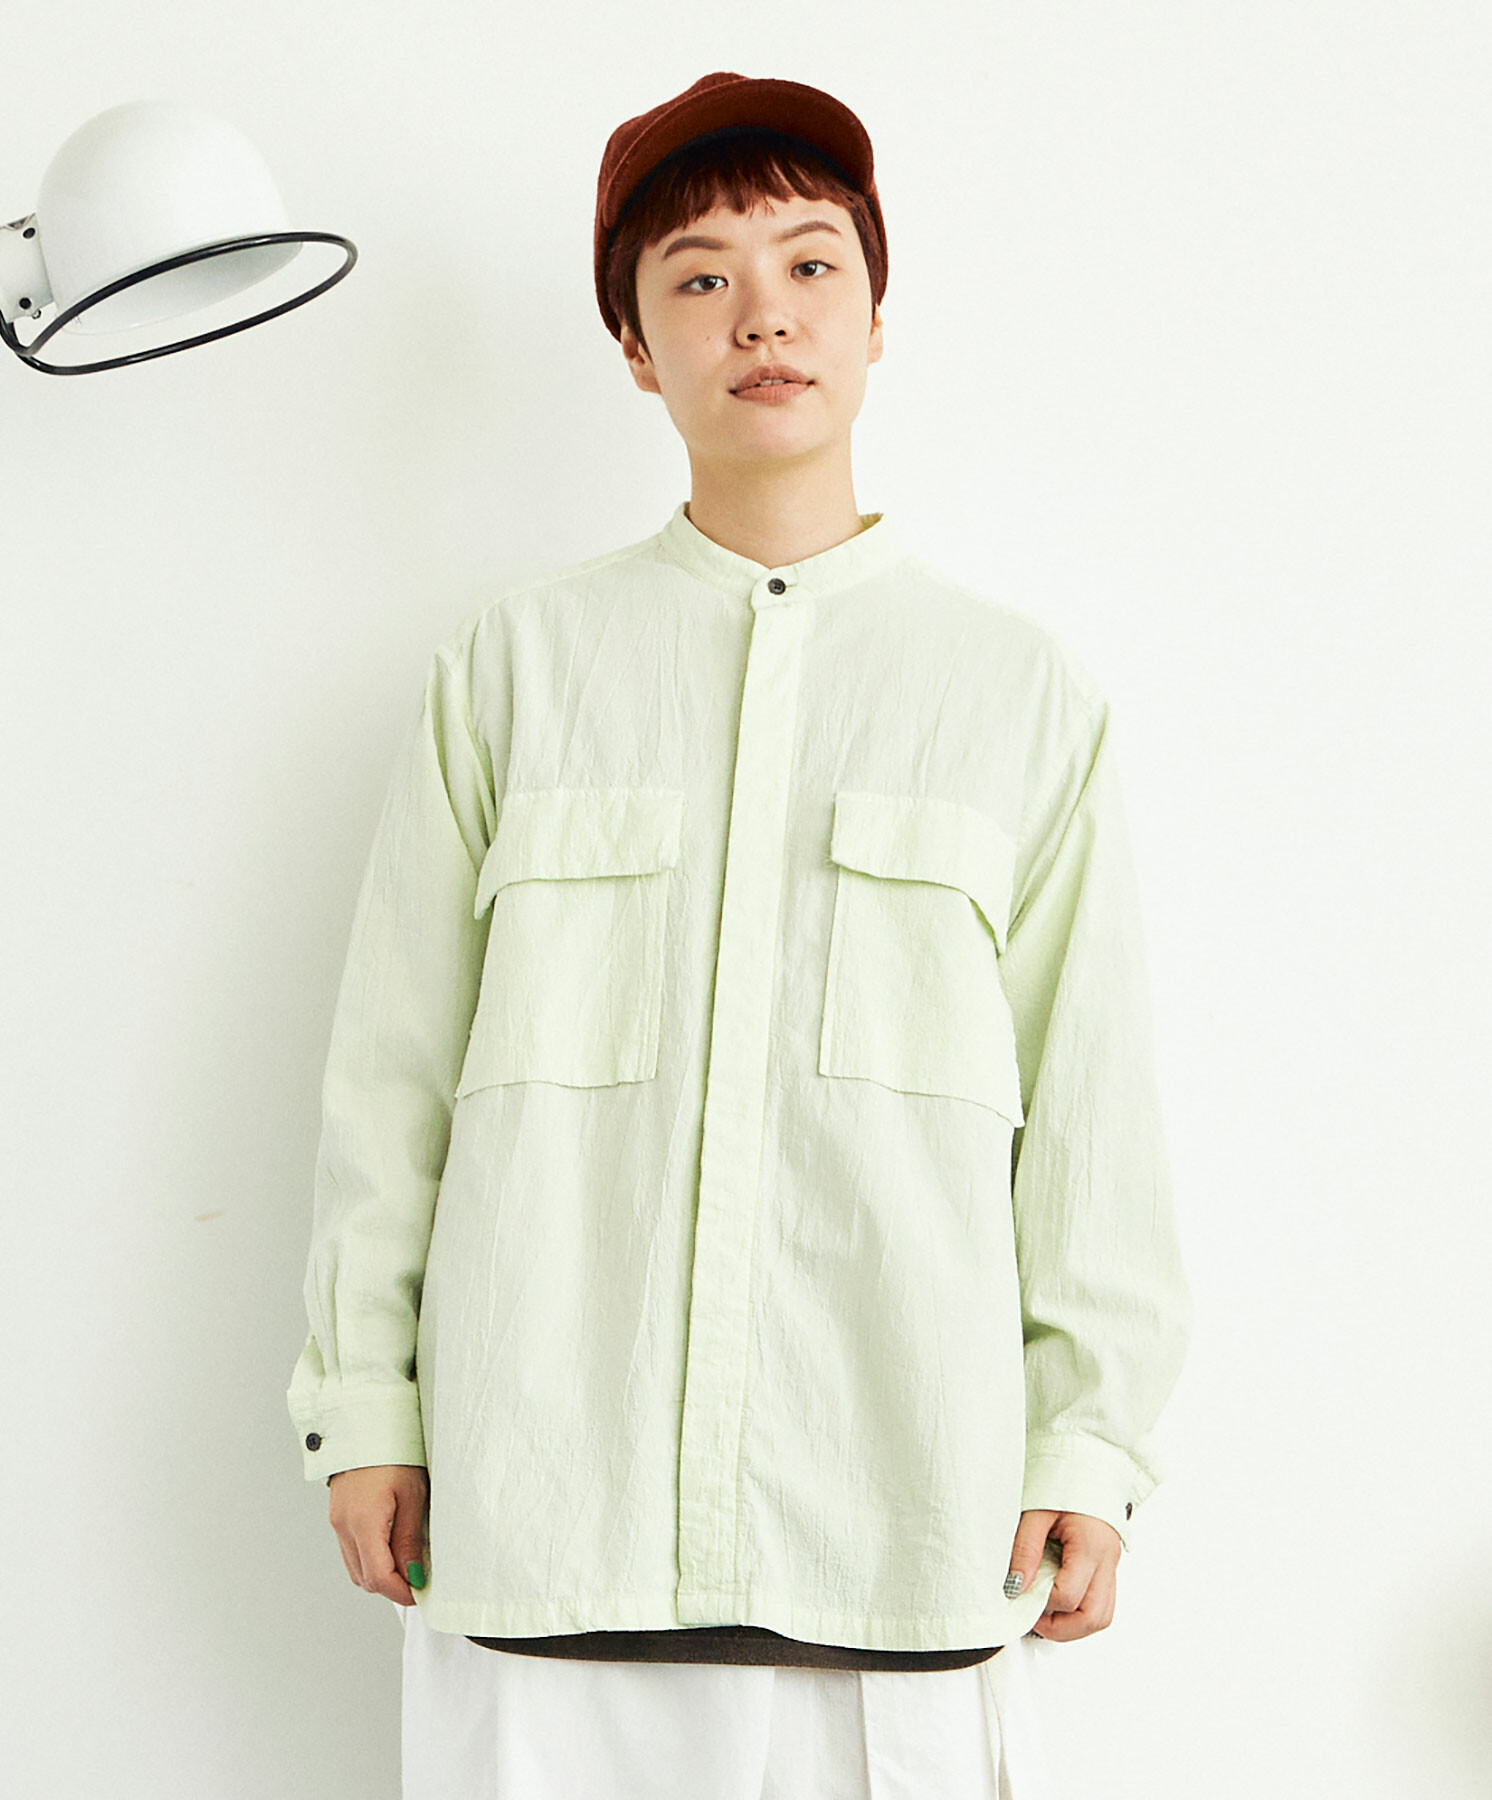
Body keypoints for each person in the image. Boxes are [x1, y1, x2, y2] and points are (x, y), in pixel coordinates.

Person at [286, 71, 1193, 1798]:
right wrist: (367, 1403)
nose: (761, 315)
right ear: (639, 350)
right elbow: (390, 1079)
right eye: (699, 278)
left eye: (807, 265)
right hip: (542, 1524)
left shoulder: (1016, 697)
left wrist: (1089, 1438)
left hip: (898, 1529)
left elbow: (1093, 1114)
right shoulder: (513, 671)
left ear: (876, 315)